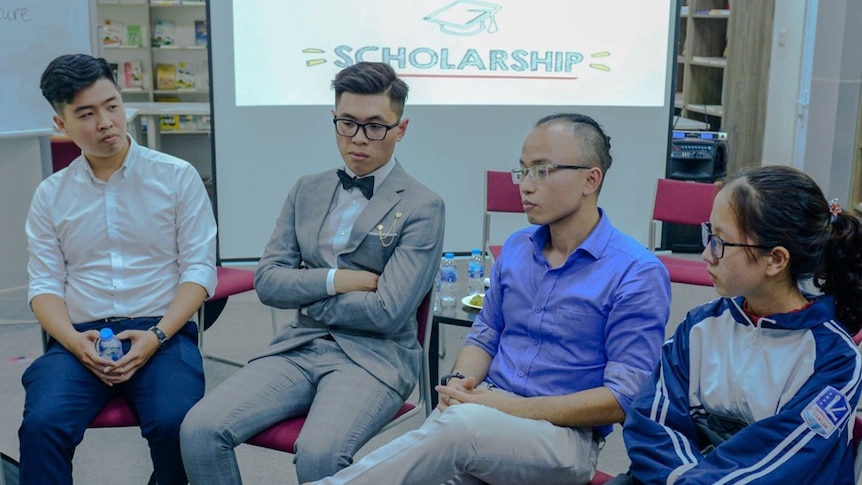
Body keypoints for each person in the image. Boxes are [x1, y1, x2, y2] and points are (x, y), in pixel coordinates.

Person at [306, 113, 672, 485]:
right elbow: (485, 334)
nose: (525, 186)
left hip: (564, 440)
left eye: (542, 172)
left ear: (590, 179)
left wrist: (508, 407)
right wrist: (463, 382)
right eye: (522, 171)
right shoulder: (516, 248)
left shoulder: (637, 272)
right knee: (440, 453)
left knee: (458, 430)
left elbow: (622, 399)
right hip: (484, 413)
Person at [179, 61, 446, 484]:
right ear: (334, 120)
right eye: (347, 123)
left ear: (401, 128)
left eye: (375, 126)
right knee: (199, 429)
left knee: (320, 457)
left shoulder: (422, 206)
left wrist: (303, 291)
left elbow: (388, 313)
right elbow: (267, 282)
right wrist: (335, 281)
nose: (358, 138)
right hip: (300, 345)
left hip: (374, 358)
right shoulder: (307, 188)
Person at [19, 54, 217, 485]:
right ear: (62, 124)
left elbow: (199, 270)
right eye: (86, 114)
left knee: (177, 424)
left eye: (111, 106)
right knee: (42, 425)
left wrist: (158, 335)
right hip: (82, 336)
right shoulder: (51, 195)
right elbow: (45, 283)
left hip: (161, 332)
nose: (105, 122)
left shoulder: (176, 177)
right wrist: (72, 341)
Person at [622, 165, 862, 484]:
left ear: (775, 260)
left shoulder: (835, 358)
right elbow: (651, 421)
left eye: (721, 242)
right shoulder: (699, 326)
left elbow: (782, 464)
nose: (707, 254)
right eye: (709, 234)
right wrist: (682, 478)